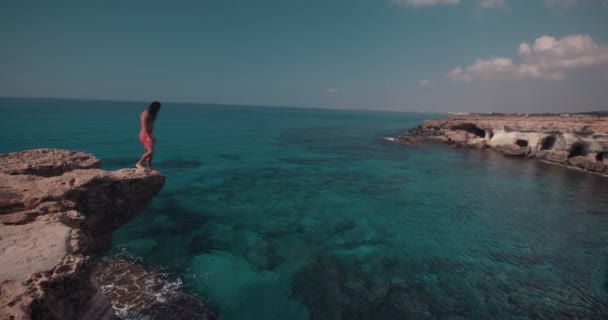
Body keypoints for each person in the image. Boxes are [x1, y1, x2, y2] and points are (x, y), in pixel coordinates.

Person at [136, 101, 161, 171]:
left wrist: (151, 136)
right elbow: (144, 127)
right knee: (151, 151)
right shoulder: (145, 114)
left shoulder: (151, 114)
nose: (158, 110)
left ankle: (149, 167)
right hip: (145, 134)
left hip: (149, 134)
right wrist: (148, 137)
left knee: (151, 153)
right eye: (158, 109)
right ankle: (139, 163)